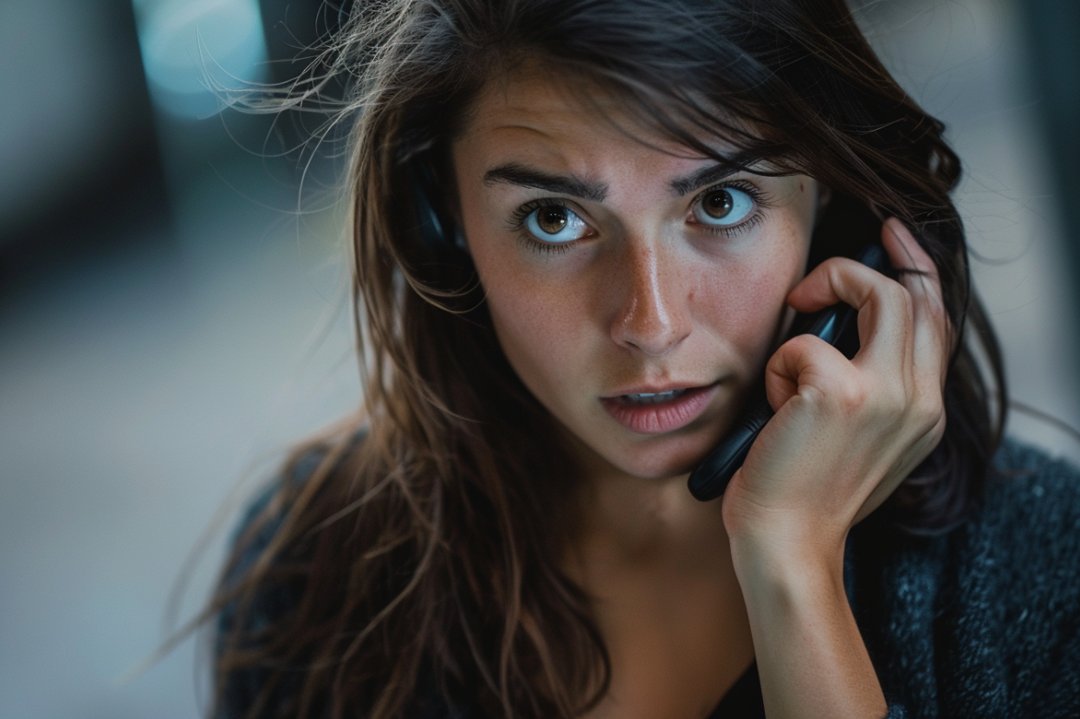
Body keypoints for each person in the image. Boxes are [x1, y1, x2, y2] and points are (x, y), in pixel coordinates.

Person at [208, 0, 1080, 717]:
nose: (651, 324)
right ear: (446, 224)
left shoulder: (1041, 569)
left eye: (723, 201)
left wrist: (792, 566)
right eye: (554, 219)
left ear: (831, 201)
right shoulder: (313, 567)